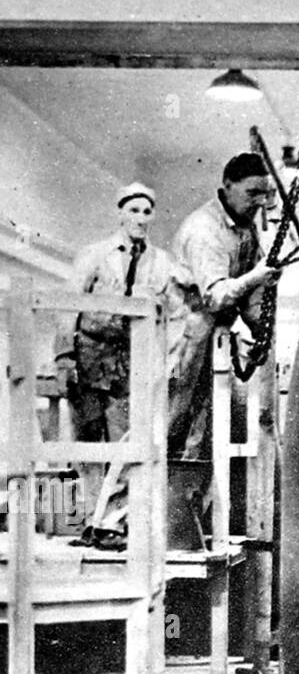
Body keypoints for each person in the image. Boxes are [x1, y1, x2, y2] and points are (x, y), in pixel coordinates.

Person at [54, 182, 186, 540]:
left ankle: (111, 523)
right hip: (88, 356)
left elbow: (177, 309)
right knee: (88, 441)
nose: (141, 219)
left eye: (147, 212)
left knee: (123, 442)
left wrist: (167, 357)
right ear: (120, 213)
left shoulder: (160, 262)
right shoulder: (95, 255)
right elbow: (70, 305)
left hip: (129, 360)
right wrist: (65, 358)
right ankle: (93, 522)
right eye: (134, 211)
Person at [169, 153, 282, 459]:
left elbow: (249, 293)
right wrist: (256, 277)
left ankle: (187, 496)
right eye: (252, 193)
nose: (260, 201)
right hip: (184, 332)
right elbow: (215, 295)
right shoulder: (204, 230)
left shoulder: (244, 226)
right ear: (228, 186)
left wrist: (263, 329)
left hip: (213, 329)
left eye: (265, 193)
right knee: (171, 417)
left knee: (202, 422)